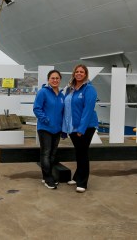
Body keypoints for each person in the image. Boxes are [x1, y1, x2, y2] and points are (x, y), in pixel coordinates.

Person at [62, 64, 98, 193]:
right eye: (77, 71)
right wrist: (65, 128)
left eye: (82, 72)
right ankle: (77, 177)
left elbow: (88, 110)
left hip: (86, 127)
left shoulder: (89, 89)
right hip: (72, 127)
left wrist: (81, 129)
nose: (79, 73)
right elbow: (67, 109)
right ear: (74, 74)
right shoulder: (70, 89)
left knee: (82, 153)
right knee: (79, 152)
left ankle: (82, 182)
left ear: (86, 74)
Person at [33, 69, 65, 189]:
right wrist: (46, 120)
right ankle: (47, 178)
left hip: (57, 129)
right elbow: (37, 108)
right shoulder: (43, 92)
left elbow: (63, 113)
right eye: (52, 78)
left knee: (52, 154)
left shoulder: (62, 95)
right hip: (45, 128)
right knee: (46, 153)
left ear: (60, 80)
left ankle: (47, 175)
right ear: (48, 80)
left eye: (57, 78)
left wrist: (63, 127)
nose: (55, 80)